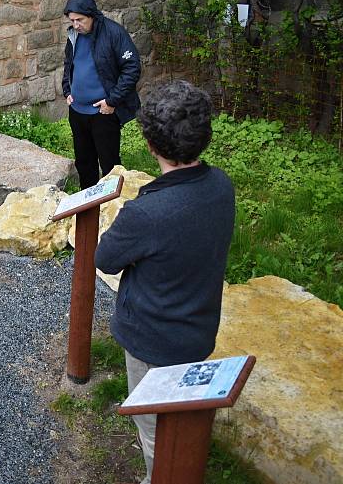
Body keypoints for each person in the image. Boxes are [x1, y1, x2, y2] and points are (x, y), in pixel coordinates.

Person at [94, 81, 235, 484]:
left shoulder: (147, 213)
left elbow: (105, 258)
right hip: (198, 326)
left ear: (152, 145)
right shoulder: (221, 186)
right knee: (178, 415)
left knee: (156, 430)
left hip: (151, 337)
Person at [62, 0, 141, 189]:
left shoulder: (114, 33)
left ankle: (112, 207)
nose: (76, 24)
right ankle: (88, 206)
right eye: (72, 20)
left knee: (109, 164)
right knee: (84, 162)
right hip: (77, 111)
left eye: (80, 20)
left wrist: (112, 101)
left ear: (92, 16)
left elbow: (132, 68)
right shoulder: (73, 36)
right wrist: (67, 90)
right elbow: (68, 64)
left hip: (103, 112)